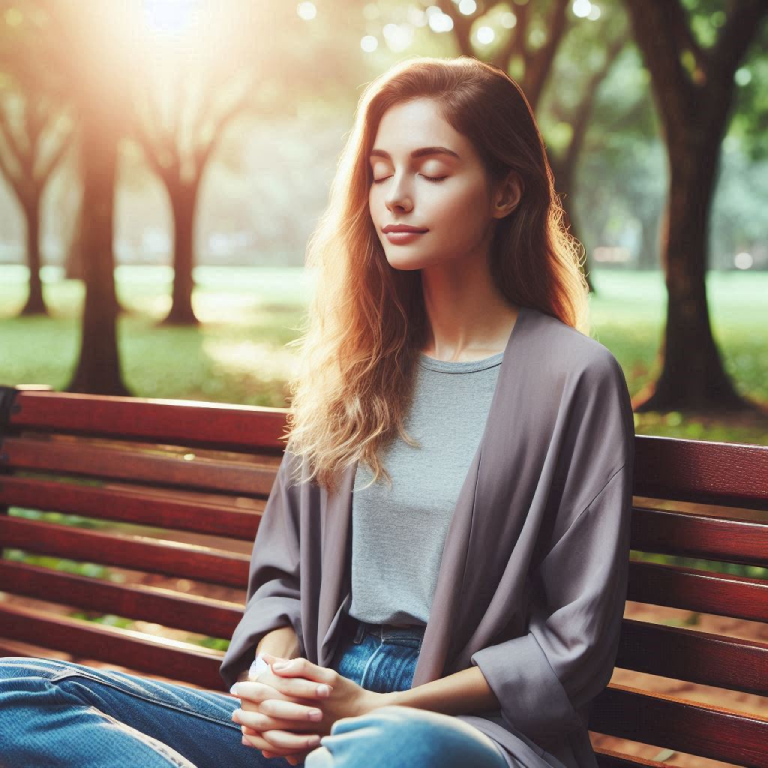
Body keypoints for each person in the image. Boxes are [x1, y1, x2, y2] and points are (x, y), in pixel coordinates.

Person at [0, 55, 635, 768]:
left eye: (432, 170)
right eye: (380, 170)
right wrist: (280, 681)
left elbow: (569, 647)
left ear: (505, 193)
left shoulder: (574, 377)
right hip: (323, 706)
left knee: (392, 749)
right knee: (17, 696)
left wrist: (381, 710)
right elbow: (282, 582)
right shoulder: (352, 371)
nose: (395, 196)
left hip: (462, 731)